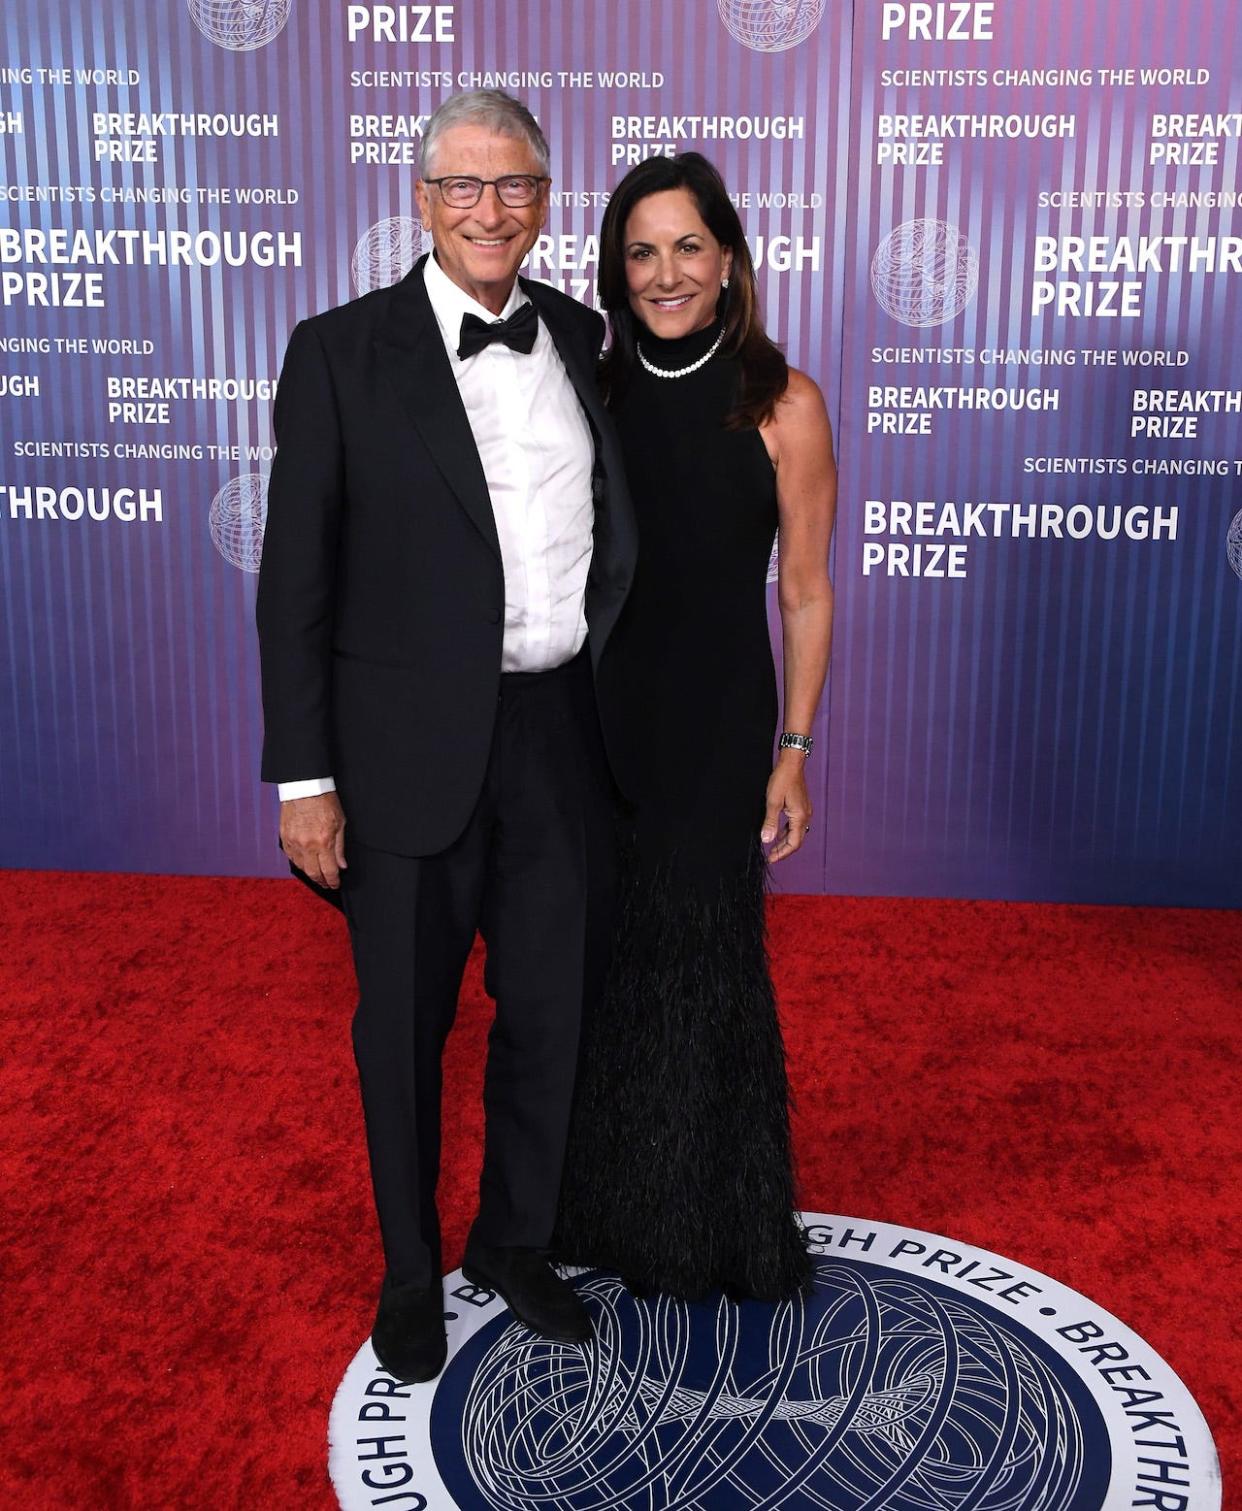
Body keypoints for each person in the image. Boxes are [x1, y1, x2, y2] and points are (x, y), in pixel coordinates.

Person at [255, 90, 635, 1383]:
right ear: (421, 201)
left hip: (559, 738)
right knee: (402, 1026)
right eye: (463, 187)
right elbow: (292, 580)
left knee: (548, 1010)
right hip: (401, 750)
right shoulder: (338, 351)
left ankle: (513, 1241)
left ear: (544, 200)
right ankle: (410, 1270)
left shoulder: (586, 339)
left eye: (515, 186)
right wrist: (305, 777)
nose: (489, 211)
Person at [554, 153, 837, 1302]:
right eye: (640, 251)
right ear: (616, 271)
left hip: (719, 723)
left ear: (728, 260)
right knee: (601, 966)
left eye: (686, 247)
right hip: (594, 719)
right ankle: (604, 1208)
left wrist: (797, 752)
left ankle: (714, 1223)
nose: (665, 273)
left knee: (702, 970)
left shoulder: (783, 402)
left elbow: (807, 589)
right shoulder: (590, 392)